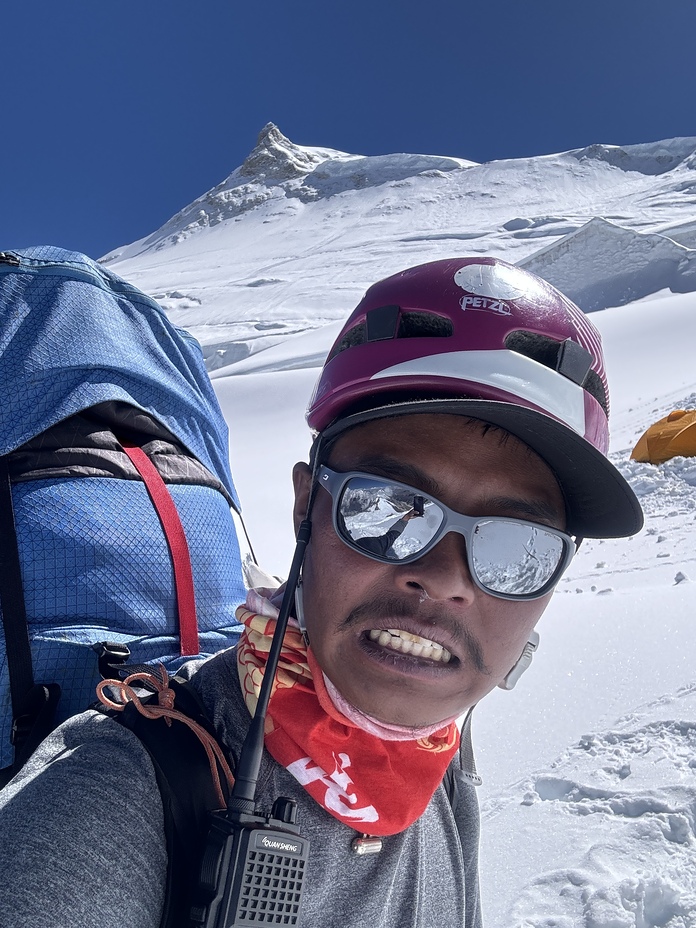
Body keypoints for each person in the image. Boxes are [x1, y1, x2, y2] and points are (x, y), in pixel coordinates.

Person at [0, 257, 643, 928]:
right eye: (388, 509)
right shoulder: (108, 802)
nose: (448, 578)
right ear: (308, 508)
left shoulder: (442, 778)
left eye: (520, 548)